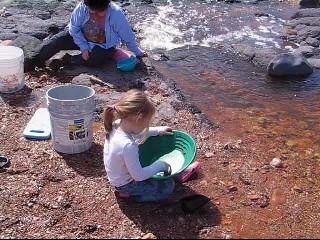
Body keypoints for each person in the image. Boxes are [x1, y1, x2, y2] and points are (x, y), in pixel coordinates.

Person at [26, 0, 147, 72]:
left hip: (102, 45)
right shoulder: (82, 8)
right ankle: (32, 62)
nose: (95, 15)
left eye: (99, 12)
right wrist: (83, 46)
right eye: (92, 11)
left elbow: (127, 36)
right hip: (80, 38)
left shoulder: (116, 13)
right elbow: (74, 29)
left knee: (98, 58)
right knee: (57, 40)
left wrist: (137, 51)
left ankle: (66, 60)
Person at [103, 89, 175, 202]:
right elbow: (139, 176)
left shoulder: (116, 125)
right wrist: (161, 165)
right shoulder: (128, 145)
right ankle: (132, 196)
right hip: (126, 184)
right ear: (139, 118)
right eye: (147, 123)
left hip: (117, 177)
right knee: (169, 186)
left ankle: (127, 191)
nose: (146, 126)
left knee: (157, 175)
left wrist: (158, 131)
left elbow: (137, 132)